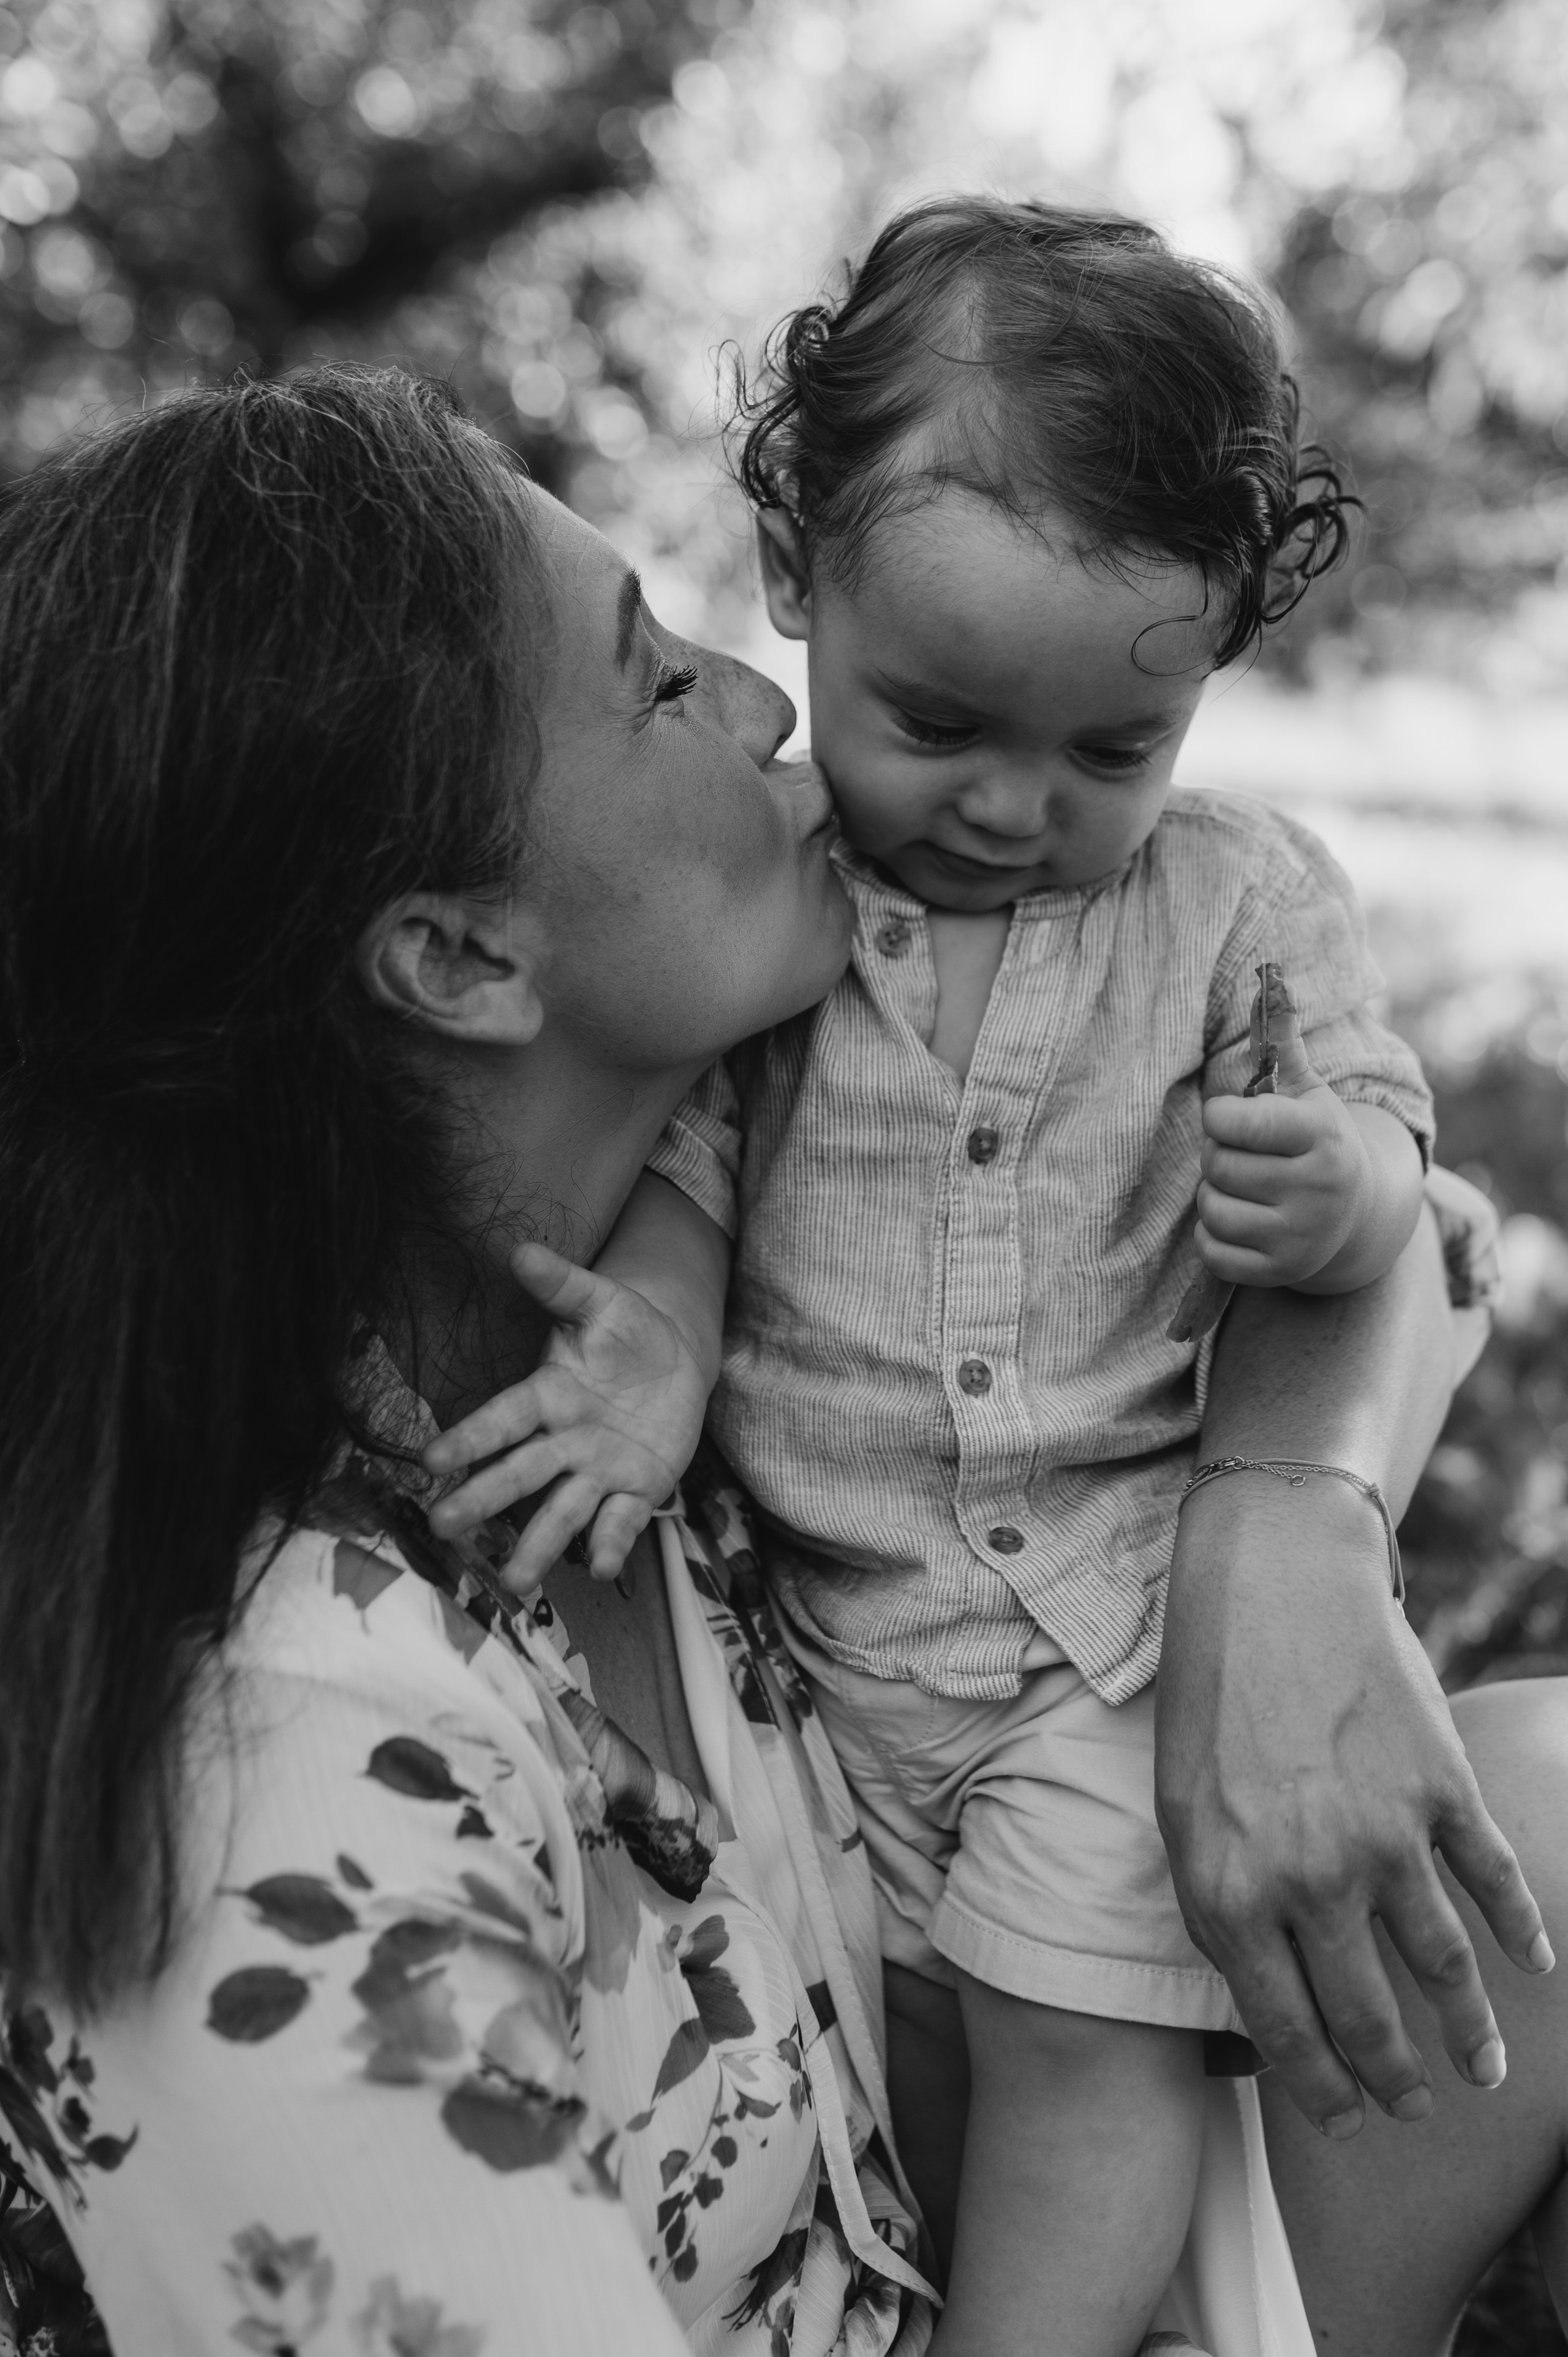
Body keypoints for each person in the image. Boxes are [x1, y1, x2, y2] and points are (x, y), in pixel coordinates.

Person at [0, 364, 1546, 2357]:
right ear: (463, 960)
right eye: (653, 679)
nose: (763, 702)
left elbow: (1427, 1250)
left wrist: (1283, 1541)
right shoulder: (288, 1805)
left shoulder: (665, 1329)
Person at [423, 201, 1520, 2356]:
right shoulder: (790, 901)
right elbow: (707, 1175)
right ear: (795, 583)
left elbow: (1394, 1147)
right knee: (910, 2049)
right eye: (940, 723)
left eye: (1115, 753)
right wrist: (650, 1348)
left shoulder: (1233, 900)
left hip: (1102, 1642)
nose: (1016, 810)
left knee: (1074, 2053)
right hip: (843, 1640)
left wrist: (1350, 1202)